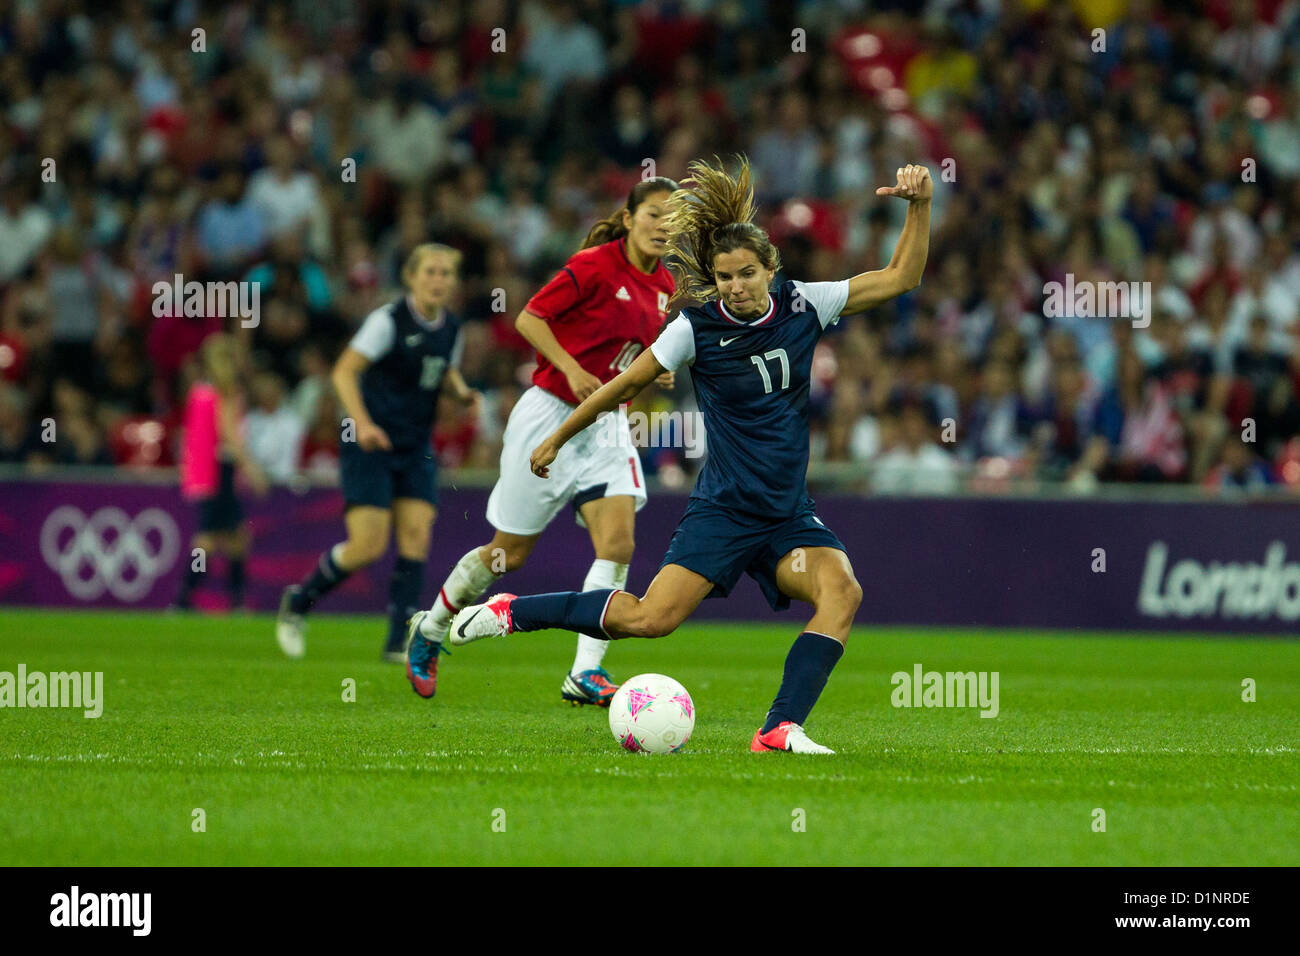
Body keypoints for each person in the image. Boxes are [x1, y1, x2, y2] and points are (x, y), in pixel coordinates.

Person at [445, 158, 933, 754]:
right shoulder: (693, 329)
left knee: (843, 592)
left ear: (770, 270)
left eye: (747, 274)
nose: (736, 286)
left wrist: (918, 205)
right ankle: (513, 612)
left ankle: (779, 728)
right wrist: (557, 437)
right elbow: (622, 386)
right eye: (725, 277)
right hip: (724, 512)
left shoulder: (808, 303)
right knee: (650, 620)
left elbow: (900, 277)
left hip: (786, 515)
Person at [406, 177, 679, 703]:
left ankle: (585, 672)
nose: (661, 225)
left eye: (671, 218)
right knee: (509, 554)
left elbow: (630, 354)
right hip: (549, 412)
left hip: (606, 422)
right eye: (652, 214)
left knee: (619, 542)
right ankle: (433, 626)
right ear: (628, 219)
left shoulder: (667, 287)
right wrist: (572, 369)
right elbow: (530, 318)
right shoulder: (595, 264)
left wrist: (653, 372)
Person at [276, 244, 479, 660]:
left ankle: (396, 640)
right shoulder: (387, 321)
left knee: (416, 536)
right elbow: (344, 371)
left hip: (414, 444)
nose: (438, 280)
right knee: (367, 545)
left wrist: (459, 391)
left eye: (446, 273)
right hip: (370, 443)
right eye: (431, 272)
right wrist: (363, 424)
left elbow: (443, 369)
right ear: (411, 277)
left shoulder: (452, 327)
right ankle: (299, 601)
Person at [175, 333, 269, 610]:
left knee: (234, 536)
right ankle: (188, 598)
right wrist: (251, 468)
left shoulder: (200, 389)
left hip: (205, 471)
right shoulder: (226, 390)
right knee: (210, 537)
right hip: (221, 469)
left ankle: (220, 599)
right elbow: (229, 433)